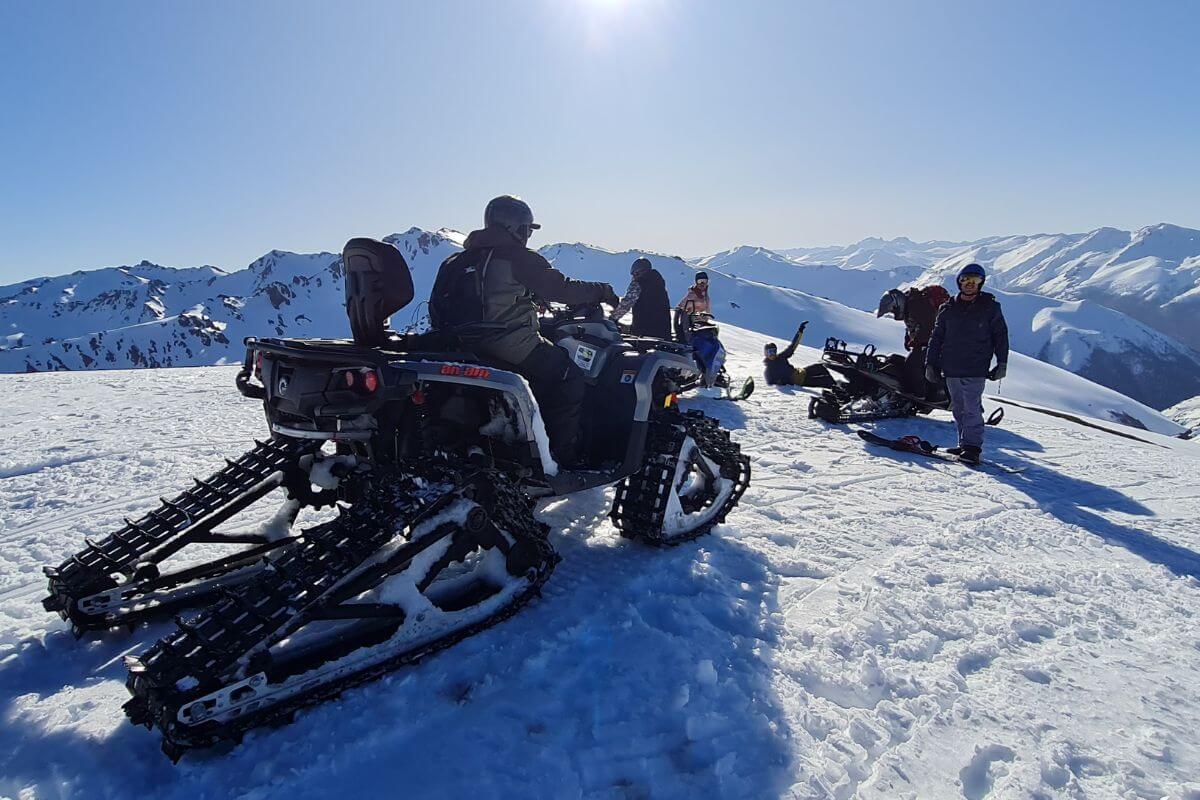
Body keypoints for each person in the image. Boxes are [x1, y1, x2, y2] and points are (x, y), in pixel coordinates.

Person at [429, 195, 618, 467]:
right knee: (568, 376)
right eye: (527, 229)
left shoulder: (457, 260)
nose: (528, 235)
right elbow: (561, 288)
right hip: (507, 343)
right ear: (515, 227)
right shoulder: (517, 256)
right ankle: (561, 458)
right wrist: (603, 290)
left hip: (459, 346)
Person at [925, 263, 1009, 464]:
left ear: (981, 283)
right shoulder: (947, 309)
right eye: (965, 280)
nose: (970, 284)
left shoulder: (990, 308)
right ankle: (964, 444)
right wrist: (931, 363)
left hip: (976, 366)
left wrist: (1002, 363)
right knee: (958, 407)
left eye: (975, 281)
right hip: (951, 366)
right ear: (959, 282)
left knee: (971, 407)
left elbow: (1001, 336)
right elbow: (936, 338)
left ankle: (972, 447)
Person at [876, 284, 951, 398]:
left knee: (913, 366)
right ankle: (905, 394)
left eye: (893, 310)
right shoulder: (912, 304)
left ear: (898, 303)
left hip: (938, 344)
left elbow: (928, 327)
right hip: (933, 344)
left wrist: (915, 341)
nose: (894, 313)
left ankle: (919, 395)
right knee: (897, 360)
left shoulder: (916, 304)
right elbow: (915, 326)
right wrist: (909, 339)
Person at [610, 257, 671, 339]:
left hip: (644, 329)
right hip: (663, 330)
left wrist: (613, 318)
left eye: (636, 273)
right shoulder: (658, 283)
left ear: (643, 272)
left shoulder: (639, 284)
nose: (634, 276)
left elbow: (626, 303)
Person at [762, 321, 834, 388]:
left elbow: (793, 346)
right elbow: (771, 383)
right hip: (801, 381)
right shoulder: (769, 370)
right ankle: (836, 390)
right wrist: (782, 381)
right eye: (769, 352)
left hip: (802, 372)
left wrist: (800, 331)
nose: (772, 354)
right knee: (824, 381)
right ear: (766, 354)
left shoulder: (781, 357)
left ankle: (837, 387)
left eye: (773, 351)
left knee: (820, 367)